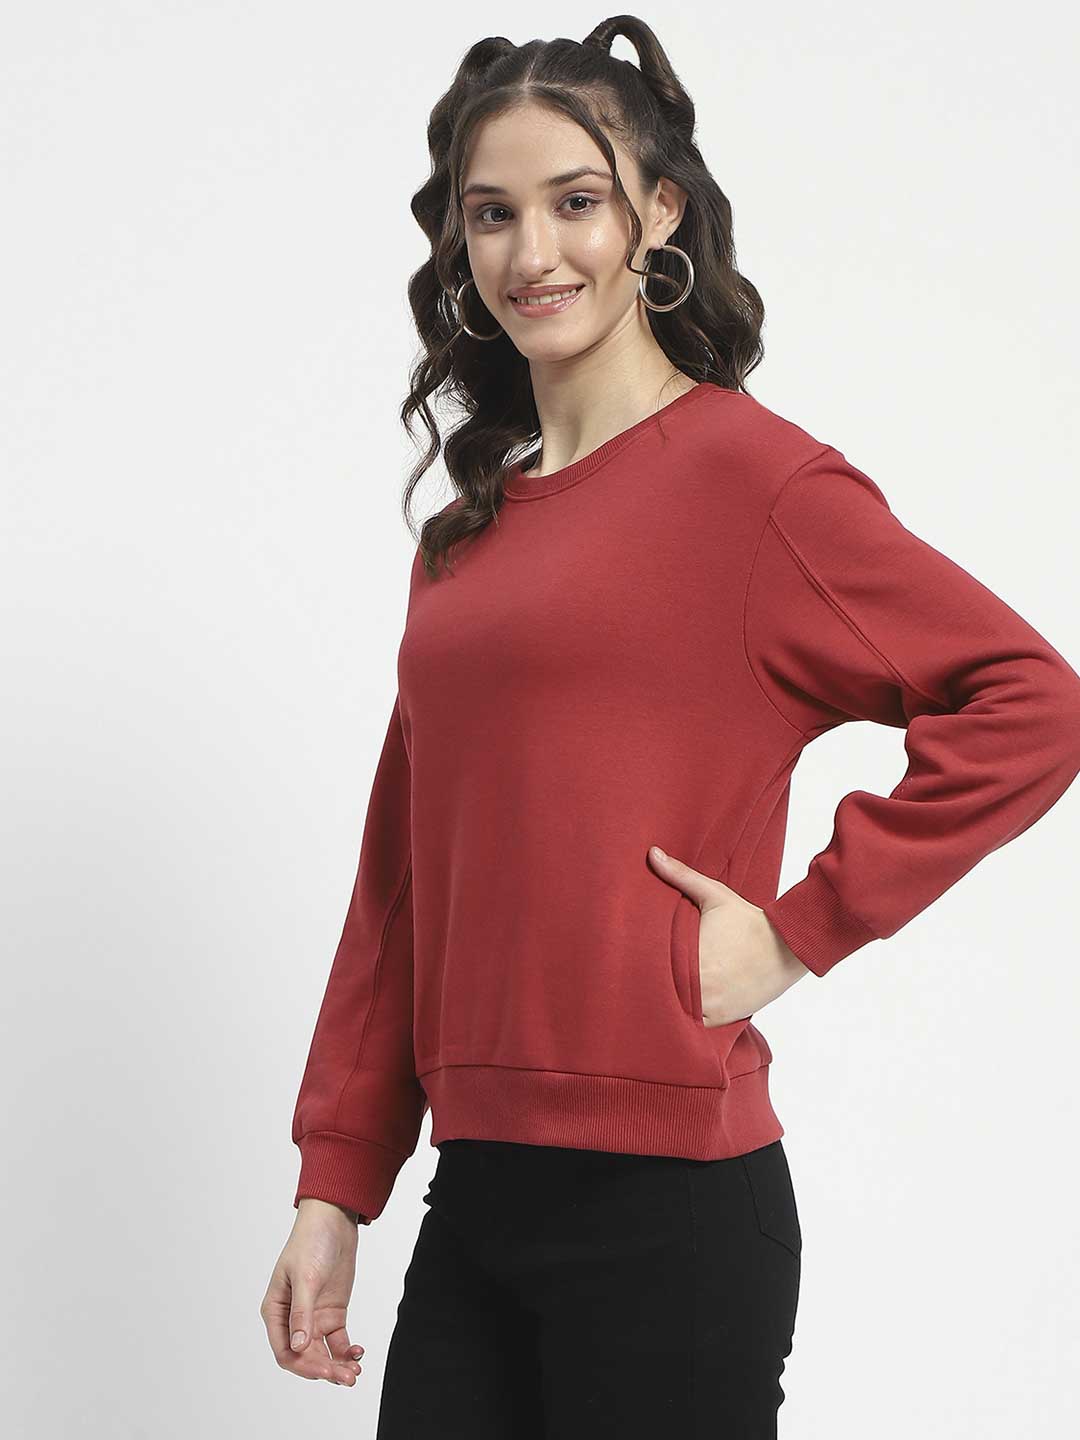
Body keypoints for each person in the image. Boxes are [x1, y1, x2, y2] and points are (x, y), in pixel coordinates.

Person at [260, 15, 1080, 1435]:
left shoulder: (757, 489)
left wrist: (802, 928)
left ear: (658, 213)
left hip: (673, 1215)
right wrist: (337, 1183)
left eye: (576, 202)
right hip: (474, 1199)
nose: (533, 253)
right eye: (493, 214)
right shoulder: (464, 542)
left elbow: (1031, 702)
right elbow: (400, 880)